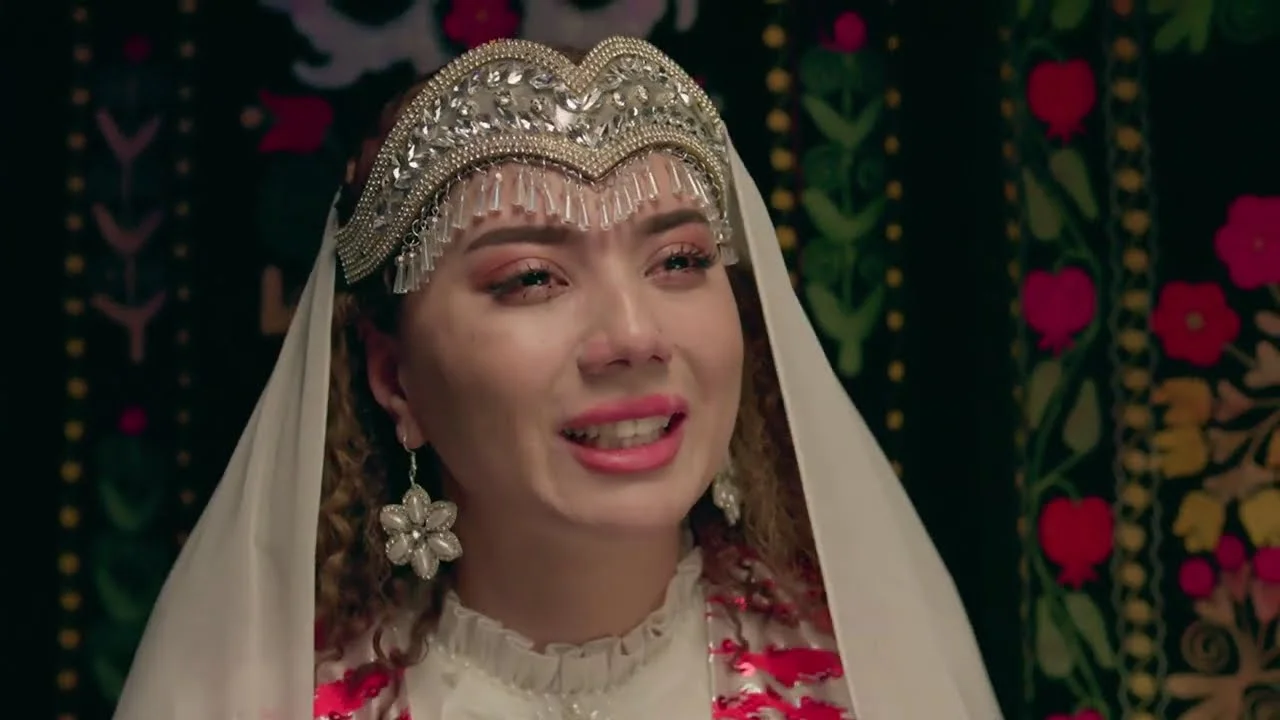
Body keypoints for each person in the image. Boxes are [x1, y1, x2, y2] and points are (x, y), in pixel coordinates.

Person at [114, 37, 1002, 720]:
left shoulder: (872, 680)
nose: (633, 336)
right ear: (395, 380)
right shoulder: (265, 700)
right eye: (532, 278)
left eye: (680, 261)